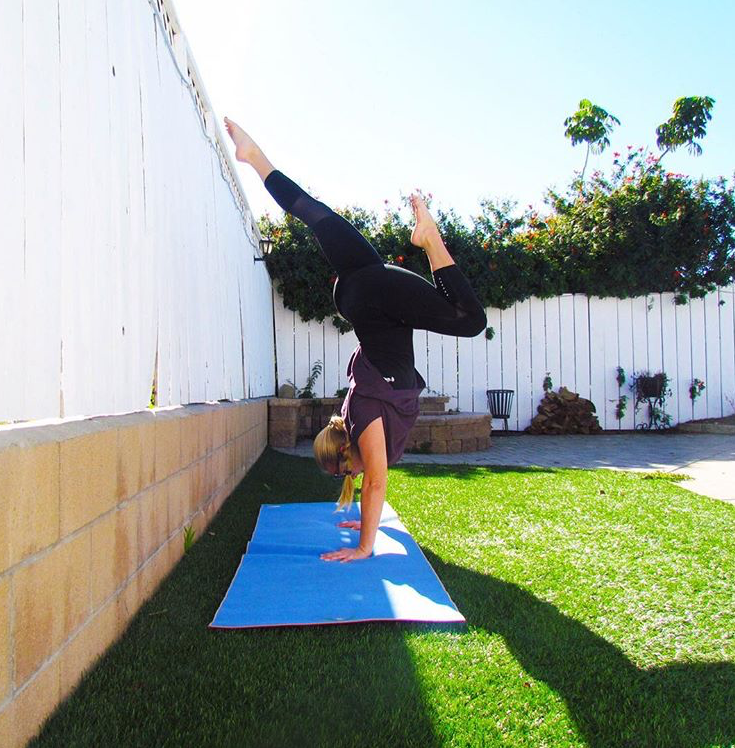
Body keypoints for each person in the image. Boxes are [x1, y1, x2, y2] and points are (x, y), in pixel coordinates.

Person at [224, 117, 486, 563]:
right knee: (312, 212)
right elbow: (369, 485)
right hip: (360, 283)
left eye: (347, 470)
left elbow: (377, 482)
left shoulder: (363, 418)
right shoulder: (354, 411)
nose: (357, 472)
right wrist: (364, 517)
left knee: (470, 320)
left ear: (347, 455)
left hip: (372, 297)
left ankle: (429, 238)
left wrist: (365, 546)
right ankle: (254, 157)